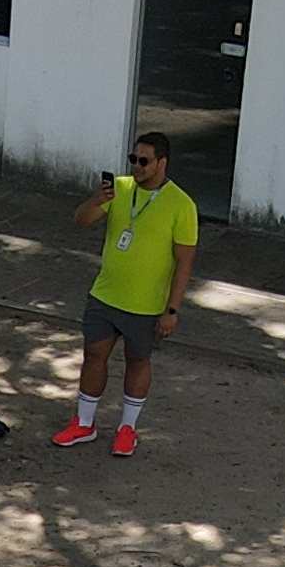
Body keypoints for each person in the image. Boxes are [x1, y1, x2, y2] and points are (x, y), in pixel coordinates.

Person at [56, 128, 199, 458]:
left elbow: (185, 262)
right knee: (93, 356)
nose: (136, 166)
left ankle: (127, 429)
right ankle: (85, 423)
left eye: (144, 161)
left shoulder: (182, 205)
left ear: (162, 162)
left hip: (146, 305)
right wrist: (95, 201)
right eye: (133, 159)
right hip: (105, 295)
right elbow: (80, 222)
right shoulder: (118, 189)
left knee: (138, 361)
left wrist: (172, 310)